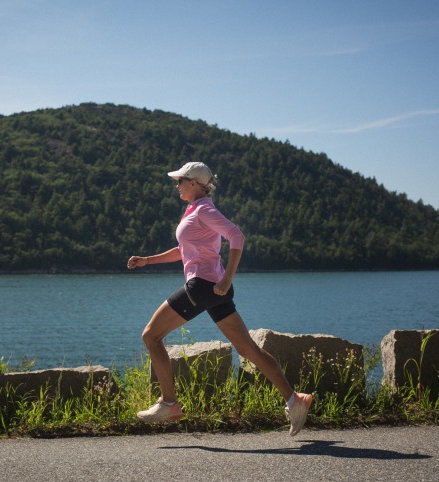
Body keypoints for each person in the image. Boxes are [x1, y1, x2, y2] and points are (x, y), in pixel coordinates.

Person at [127, 162, 313, 436]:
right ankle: (295, 400)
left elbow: (236, 236)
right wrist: (147, 261)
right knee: (248, 349)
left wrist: (228, 278)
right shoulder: (194, 210)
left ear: (193, 183)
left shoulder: (204, 209)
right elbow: (183, 250)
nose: (176, 185)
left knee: (151, 336)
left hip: (203, 287)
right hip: (214, 288)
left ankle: (169, 403)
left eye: (179, 180)